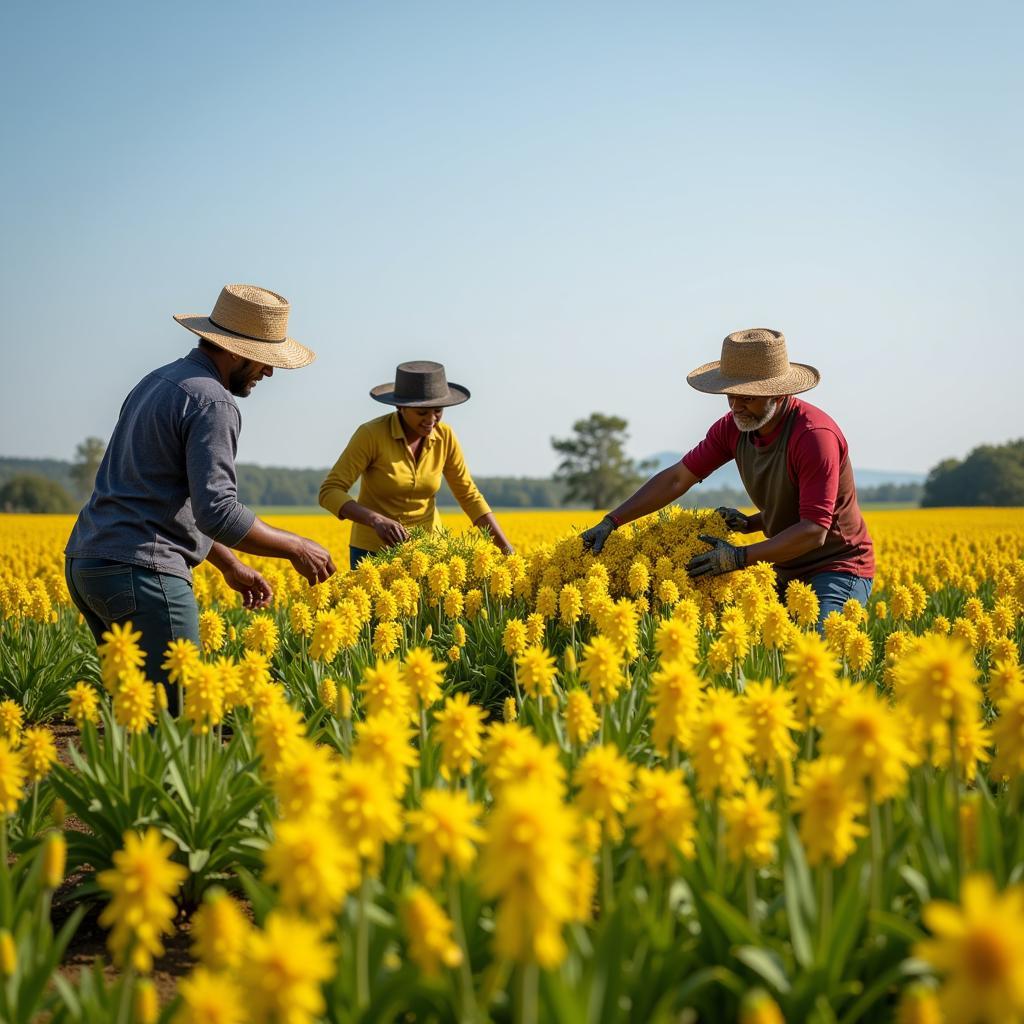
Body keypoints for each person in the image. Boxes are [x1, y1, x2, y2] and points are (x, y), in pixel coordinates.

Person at [65, 284, 337, 711]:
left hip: (90, 563)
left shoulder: (158, 381)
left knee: (138, 715)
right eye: (265, 360)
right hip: (145, 574)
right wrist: (297, 547)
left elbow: (157, 494)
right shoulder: (214, 402)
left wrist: (230, 564)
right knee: (181, 722)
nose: (268, 373)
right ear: (235, 350)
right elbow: (219, 512)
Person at [581, 328, 874, 624]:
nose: (736, 406)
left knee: (821, 648)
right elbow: (677, 478)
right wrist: (612, 520)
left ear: (779, 391)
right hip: (782, 566)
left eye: (748, 397)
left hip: (836, 568)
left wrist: (738, 557)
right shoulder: (733, 427)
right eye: (730, 395)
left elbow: (813, 530)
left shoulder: (813, 437)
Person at [319, 360, 513, 569]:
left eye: (438, 411)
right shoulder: (371, 435)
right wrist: (376, 521)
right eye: (422, 413)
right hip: (373, 553)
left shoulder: (445, 437)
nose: (431, 419)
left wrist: (506, 550)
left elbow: (469, 496)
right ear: (400, 407)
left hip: (429, 550)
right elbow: (330, 491)